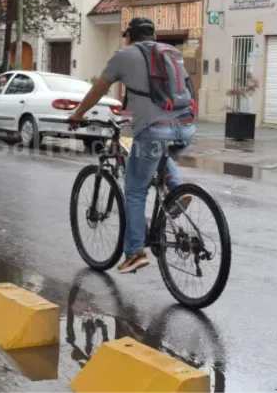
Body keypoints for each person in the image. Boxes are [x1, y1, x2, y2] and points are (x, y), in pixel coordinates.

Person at [68, 16, 196, 274]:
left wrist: (78, 113)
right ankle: (178, 190)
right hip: (185, 126)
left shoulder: (124, 55)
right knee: (158, 152)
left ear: (130, 36)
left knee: (135, 192)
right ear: (153, 36)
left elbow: (98, 89)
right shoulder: (171, 52)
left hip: (154, 128)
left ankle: (135, 251)